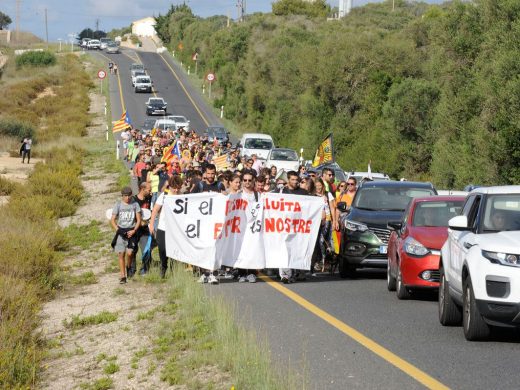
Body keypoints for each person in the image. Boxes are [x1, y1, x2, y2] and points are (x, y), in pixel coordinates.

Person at [191, 163, 225, 284]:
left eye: (212, 173)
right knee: (203, 249)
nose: (210, 176)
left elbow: (226, 200)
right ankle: (204, 274)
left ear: (215, 173)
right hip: (202, 223)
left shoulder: (220, 185)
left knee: (214, 249)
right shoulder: (199, 185)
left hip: (215, 223)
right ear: (205, 173)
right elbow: (190, 201)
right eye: (208, 173)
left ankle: (213, 274)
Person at [149, 175, 184, 278]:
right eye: (174, 187)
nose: (176, 190)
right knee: (162, 249)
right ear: (171, 186)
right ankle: (163, 267)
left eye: (178, 188)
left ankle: (173, 271)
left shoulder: (182, 196)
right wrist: (151, 224)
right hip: (163, 227)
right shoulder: (164, 195)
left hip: (176, 229)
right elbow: (155, 210)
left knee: (174, 251)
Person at [279, 171, 308, 284]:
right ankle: (285, 274)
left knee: (297, 247)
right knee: (285, 248)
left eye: (297, 180)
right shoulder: (281, 192)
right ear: (288, 180)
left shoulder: (303, 193)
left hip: (299, 225)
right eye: (293, 180)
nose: (295, 182)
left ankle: (297, 271)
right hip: (285, 225)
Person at [111, 187, 141, 284]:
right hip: (121, 231)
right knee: (121, 254)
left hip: (131, 231)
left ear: (131, 195)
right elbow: (112, 220)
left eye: (129, 196)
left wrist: (134, 230)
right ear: (122, 196)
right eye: (125, 196)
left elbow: (139, 220)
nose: (127, 198)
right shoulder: (118, 205)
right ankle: (123, 275)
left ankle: (129, 266)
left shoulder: (135, 204)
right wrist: (118, 230)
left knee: (130, 253)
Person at [237, 172, 260, 283]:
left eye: (249, 180)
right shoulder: (238, 194)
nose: (247, 182)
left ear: (253, 181)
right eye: (245, 180)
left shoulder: (258, 195)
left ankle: (251, 272)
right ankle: (241, 273)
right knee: (241, 250)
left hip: (253, 227)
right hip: (240, 227)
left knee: (252, 249)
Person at [313, 178, 336, 275]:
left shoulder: (328, 194)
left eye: (320, 185)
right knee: (317, 243)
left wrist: (335, 221)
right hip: (316, 222)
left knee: (322, 241)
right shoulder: (313, 195)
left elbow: (332, 208)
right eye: (316, 185)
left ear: (323, 185)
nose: (318, 187)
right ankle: (320, 261)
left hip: (327, 220)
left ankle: (325, 260)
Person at [132, 182, 153, 276]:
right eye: (149, 189)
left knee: (146, 249)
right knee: (132, 250)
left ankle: (144, 269)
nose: (150, 191)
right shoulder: (133, 200)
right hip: (134, 229)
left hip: (144, 229)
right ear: (142, 189)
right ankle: (131, 270)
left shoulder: (149, 198)